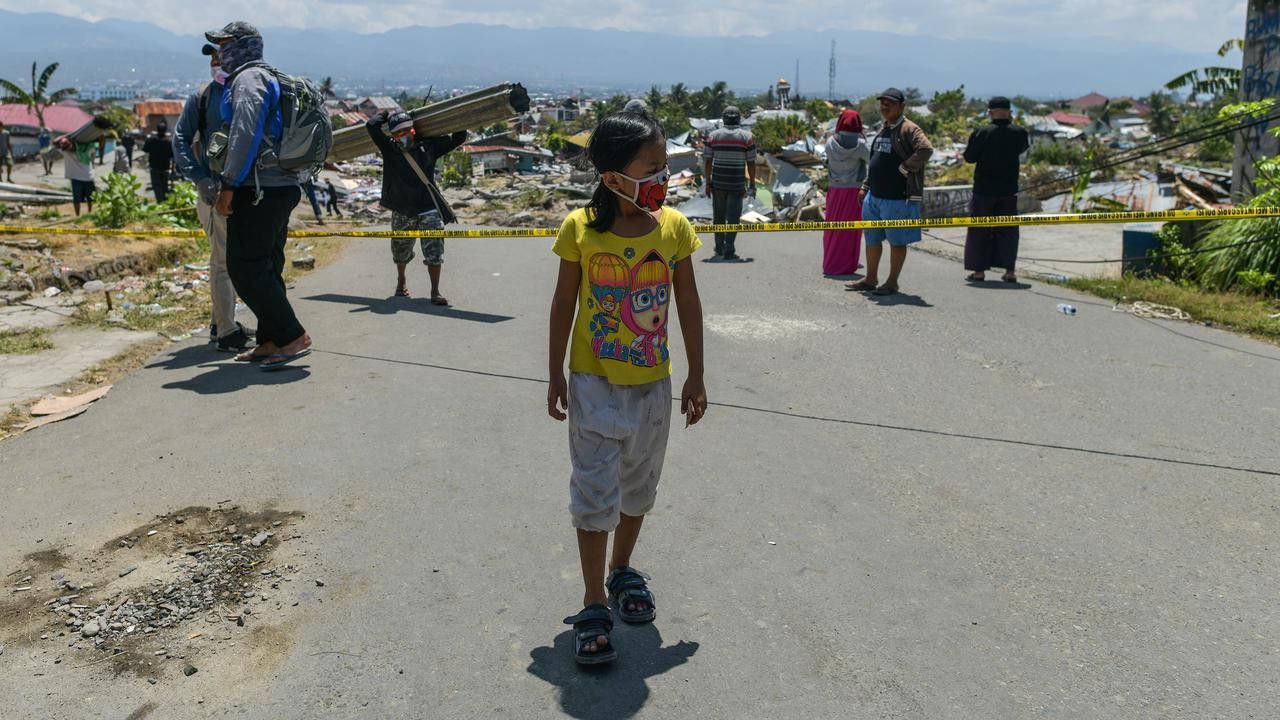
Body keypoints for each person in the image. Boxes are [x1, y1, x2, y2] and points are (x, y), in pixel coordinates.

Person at [547, 110, 707, 666]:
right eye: (652, 167)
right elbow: (564, 304)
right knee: (594, 494)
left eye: (665, 166)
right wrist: (553, 374)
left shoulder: (675, 228)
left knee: (638, 487)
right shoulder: (580, 230)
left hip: (653, 388)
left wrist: (698, 374)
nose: (663, 178)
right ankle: (594, 602)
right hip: (593, 384)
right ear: (614, 178)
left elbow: (687, 302)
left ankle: (622, 572)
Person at [208, 20, 311, 370]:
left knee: (244, 266)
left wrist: (228, 184)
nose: (219, 51)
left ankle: (292, 334)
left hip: (258, 187)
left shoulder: (249, 80)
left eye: (223, 43)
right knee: (267, 265)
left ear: (240, 45)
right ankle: (271, 340)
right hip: (280, 185)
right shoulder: (273, 76)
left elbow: (245, 133)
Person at [173, 41, 253, 353]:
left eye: (221, 57)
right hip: (215, 192)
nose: (215, 63)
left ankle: (221, 322)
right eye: (213, 58)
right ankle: (227, 331)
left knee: (227, 260)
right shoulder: (204, 97)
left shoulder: (247, 92)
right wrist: (200, 178)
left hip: (242, 191)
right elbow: (180, 140)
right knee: (223, 262)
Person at [366, 110, 466, 303]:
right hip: (402, 210)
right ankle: (401, 280)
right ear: (393, 136)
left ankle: (435, 291)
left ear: (413, 130)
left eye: (407, 130)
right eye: (399, 132)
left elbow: (459, 137)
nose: (404, 135)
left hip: (429, 208)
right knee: (400, 251)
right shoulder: (389, 149)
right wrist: (386, 114)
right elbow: (372, 125)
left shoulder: (428, 146)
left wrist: (451, 118)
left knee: (435, 251)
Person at [845, 87, 933, 296]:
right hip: (874, 197)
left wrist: (906, 167)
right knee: (872, 239)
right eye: (883, 102)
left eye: (890, 103)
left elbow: (926, 149)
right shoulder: (883, 129)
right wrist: (865, 186)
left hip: (897, 199)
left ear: (901, 106)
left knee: (897, 241)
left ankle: (892, 282)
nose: (885, 106)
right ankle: (871, 278)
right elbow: (875, 160)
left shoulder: (909, 129)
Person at [963, 96, 1030, 283]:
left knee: (979, 229)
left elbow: (969, 157)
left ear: (990, 112)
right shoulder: (1020, 132)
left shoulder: (981, 132)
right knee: (1008, 230)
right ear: (1010, 112)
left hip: (984, 190)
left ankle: (979, 271)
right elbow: (1022, 149)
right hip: (1008, 190)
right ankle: (1010, 271)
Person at [702, 106, 756, 260]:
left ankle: (719, 247)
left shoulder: (713, 136)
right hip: (737, 184)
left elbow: (707, 161)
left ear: (723, 118)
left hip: (718, 184)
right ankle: (729, 249)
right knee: (733, 218)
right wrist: (752, 184)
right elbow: (751, 163)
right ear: (739, 118)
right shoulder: (747, 137)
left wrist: (707, 182)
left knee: (718, 216)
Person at [822, 108, 869, 276]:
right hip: (854, 192)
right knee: (851, 229)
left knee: (833, 227)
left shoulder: (830, 144)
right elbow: (871, 160)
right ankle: (849, 262)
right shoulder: (861, 146)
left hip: (834, 190)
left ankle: (831, 262)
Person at [58, 135, 97, 216]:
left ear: (72, 143)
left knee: (90, 198)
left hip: (88, 177)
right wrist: (69, 135)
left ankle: (90, 214)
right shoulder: (66, 152)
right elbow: (55, 142)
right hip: (76, 178)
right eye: (66, 147)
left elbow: (94, 150)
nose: (68, 149)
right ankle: (77, 216)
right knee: (77, 199)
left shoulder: (86, 148)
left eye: (69, 146)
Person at [143, 121, 174, 202]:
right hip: (165, 167)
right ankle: (164, 202)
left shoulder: (151, 140)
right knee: (164, 185)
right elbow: (172, 155)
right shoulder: (169, 142)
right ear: (165, 130)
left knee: (156, 186)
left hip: (154, 167)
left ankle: (159, 202)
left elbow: (145, 149)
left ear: (157, 129)